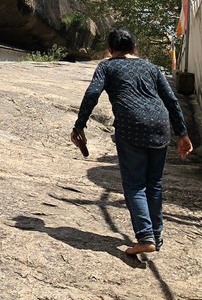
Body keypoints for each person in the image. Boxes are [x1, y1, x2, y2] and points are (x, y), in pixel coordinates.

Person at [71, 28, 193, 256]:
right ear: (135, 48)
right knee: (154, 183)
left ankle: (145, 236)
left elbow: (92, 94)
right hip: (160, 125)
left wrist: (80, 125)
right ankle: (156, 235)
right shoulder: (151, 67)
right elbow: (171, 100)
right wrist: (183, 133)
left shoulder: (107, 66)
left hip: (131, 127)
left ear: (110, 50)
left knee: (135, 184)